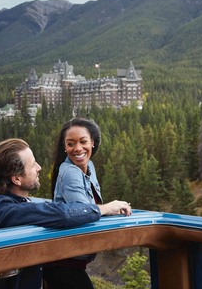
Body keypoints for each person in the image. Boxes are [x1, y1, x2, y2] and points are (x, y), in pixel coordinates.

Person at [0, 138, 131, 289]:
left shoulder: (14, 204)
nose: (39, 167)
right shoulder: (1, 210)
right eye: (32, 164)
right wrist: (103, 209)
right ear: (16, 179)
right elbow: (61, 214)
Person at [43, 118, 116, 289]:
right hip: (61, 261)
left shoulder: (88, 166)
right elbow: (84, 212)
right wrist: (110, 207)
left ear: (93, 143)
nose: (77, 148)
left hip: (70, 260)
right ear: (64, 146)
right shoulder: (70, 172)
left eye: (83, 142)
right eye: (71, 143)